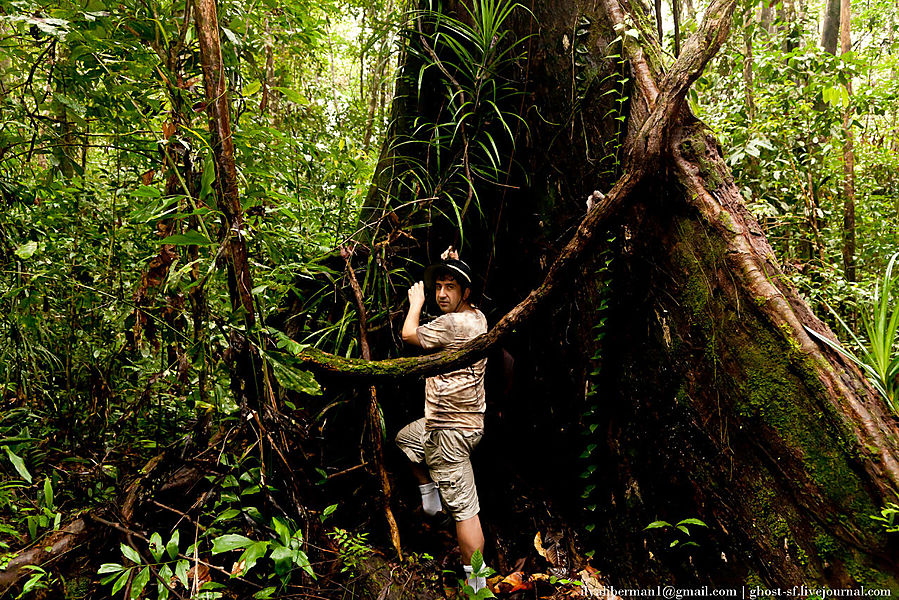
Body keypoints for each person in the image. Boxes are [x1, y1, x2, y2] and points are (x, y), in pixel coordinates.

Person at [395, 246, 490, 592]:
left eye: (450, 287)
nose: (441, 294)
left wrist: (417, 302)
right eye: (437, 287)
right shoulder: (478, 316)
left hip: (450, 434)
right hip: (459, 424)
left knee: (466, 512)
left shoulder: (453, 323)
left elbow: (409, 335)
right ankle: (431, 501)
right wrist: (453, 261)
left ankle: (478, 589)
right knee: (406, 439)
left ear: (466, 293)